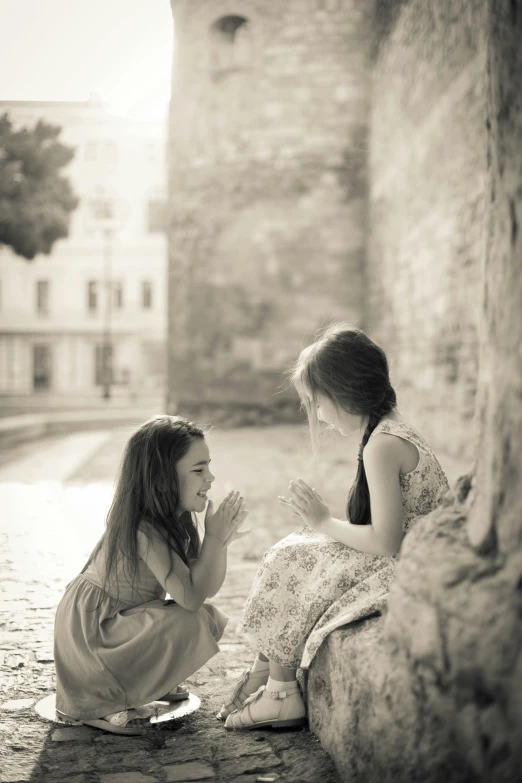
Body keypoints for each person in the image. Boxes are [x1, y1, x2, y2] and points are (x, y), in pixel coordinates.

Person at [221, 324, 450, 731]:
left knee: (294, 556)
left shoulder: (382, 444)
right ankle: (269, 675)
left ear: (342, 392)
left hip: (407, 565)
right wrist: (320, 527)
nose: (320, 417)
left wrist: (323, 521)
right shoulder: (388, 428)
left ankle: (279, 693)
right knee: (297, 549)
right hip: (411, 554)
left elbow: (386, 539)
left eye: (316, 403)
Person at [54, 415, 248, 735]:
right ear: (162, 479)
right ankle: (101, 701)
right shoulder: (146, 529)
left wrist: (219, 543)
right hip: (94, 634)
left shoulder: (175, 520)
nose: (210, 477)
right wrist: (213, 538)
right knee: (194, 620)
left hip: (116, 622)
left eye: (208, 466)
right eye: (198, 470)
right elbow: (190, 598)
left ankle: (141, 682)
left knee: (207, 618)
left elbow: (205, 588)